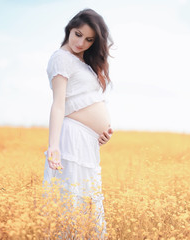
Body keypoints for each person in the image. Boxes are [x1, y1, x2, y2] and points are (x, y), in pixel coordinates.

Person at [42, 8, 113, 239]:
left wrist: (100, 135)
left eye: (89, 39)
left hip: (86, 142)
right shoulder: (61, 58)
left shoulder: (80, 61)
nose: (81, 42)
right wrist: (53, 146)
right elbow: (58, 105)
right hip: (71, 138)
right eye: (78, 34)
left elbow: (85, 102)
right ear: (69, 29)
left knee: (85, 201)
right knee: (72, 201)